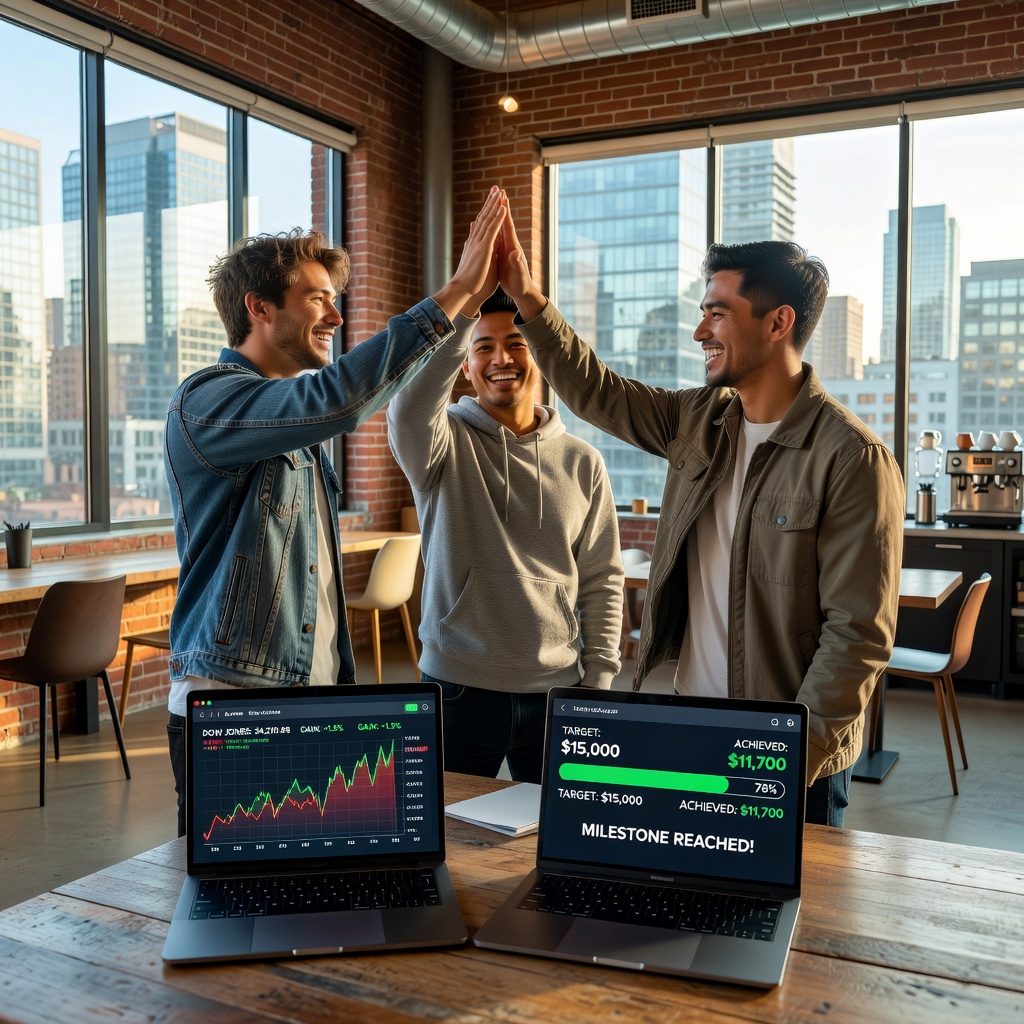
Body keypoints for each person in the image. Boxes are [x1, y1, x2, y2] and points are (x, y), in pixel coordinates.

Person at [496, 201, 904, 826]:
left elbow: (856, 637)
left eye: (718, 313)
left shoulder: (852, 458)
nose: (700, 331)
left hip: (785, 751)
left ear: (779, 323)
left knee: (787, 922)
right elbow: (597, 392)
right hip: (693, 723)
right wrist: (528, 299)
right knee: (693, 904)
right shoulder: (700, 421)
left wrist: (786, 762)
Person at [162, 187, 507, 835]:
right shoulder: (208, 401)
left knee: (318, 883)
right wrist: (459, 289)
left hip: (311, 696)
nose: (336, 317)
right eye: (318, 298)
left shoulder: (289, 416)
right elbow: (343, 400)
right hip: (238, 707)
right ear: (258, 308)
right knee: (239, 904)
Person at [386, 284, 624, 784]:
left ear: (537, 356)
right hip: (457, 685)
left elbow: (603, 577)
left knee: (555, 841)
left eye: (516, 344)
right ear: (464, 367)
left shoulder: (583, 461)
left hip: (561, 689)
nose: (502, 358)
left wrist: (598, 678)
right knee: (448, 836)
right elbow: (406, 409)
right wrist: (464, 308)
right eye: (483, 346)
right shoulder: (440, 442)